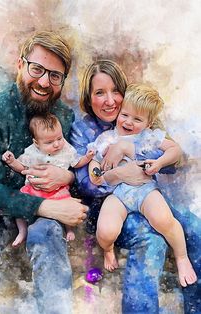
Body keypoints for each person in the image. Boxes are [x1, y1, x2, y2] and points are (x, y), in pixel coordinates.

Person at [0, 30, 88, 314]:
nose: (45, 82)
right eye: (37, 69)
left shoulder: (64, 116)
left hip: (45, 212)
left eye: (55, 75)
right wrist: (47, 206)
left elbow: (74, 167)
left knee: (47, 235)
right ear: (20, 64)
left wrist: (70, 177)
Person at [70, 59, 201, 313]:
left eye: (115, 91)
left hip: (147, 195)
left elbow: (173, 160)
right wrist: (121, 173)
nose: (110, 101)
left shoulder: (138, 111)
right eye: (99, 93)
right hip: (109, 204)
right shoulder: (83, 129)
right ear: (88, 96)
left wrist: (128, 148)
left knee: (194, 227)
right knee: (152, 241)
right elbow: (87, 184)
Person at [87, 83, 197, 287]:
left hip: (145, 190)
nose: (129, 122)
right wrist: (95, 172)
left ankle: (182, 257)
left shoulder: (149, 137)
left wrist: (160, 162)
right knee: (106, 230)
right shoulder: (108, 138)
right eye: (125, 115)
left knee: (164, 219)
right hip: (118, 194)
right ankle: (108, 249)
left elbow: (175, 150)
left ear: (149, 123)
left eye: (137, 119)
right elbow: (95, 160)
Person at [2, 113, 94, 246]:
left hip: (57, 190)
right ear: (36, 143)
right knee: (20, 205)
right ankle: (22, 231)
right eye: (50, 142)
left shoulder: (66, 150)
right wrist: (12, 161)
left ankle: (69, 229)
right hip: (33, 188)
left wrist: (87, 157)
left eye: (59, 138)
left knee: (68, 204)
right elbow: (22, 167)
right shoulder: (32, 152)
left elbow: (76, 162)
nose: (57, 144)